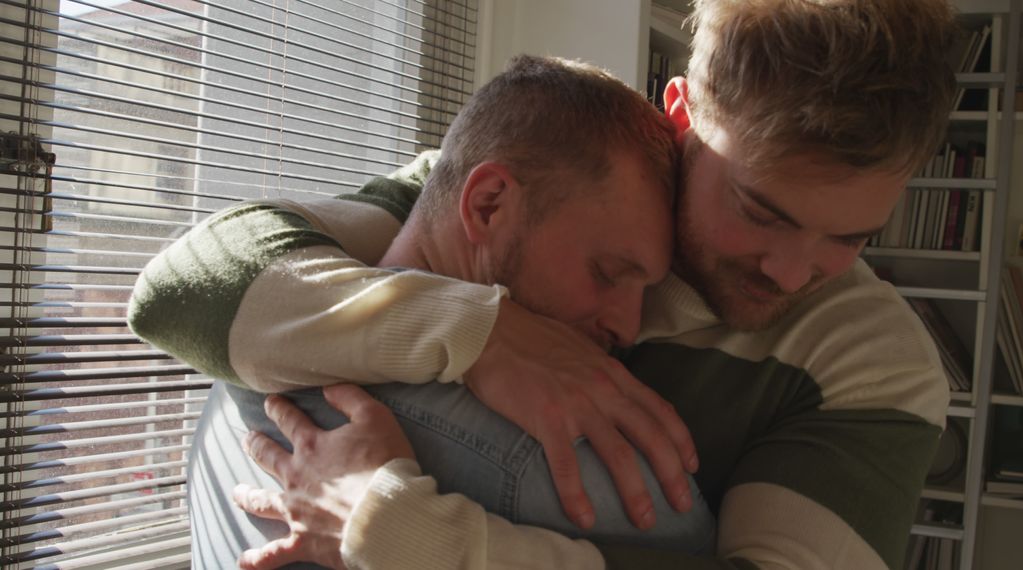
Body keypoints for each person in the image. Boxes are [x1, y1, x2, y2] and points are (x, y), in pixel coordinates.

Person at [132, 0, 961, 567]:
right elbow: (192, 281)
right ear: (682, 124)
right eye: (760, 210)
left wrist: (398, 530)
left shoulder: (875, 362)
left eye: (850, 237)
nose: (791, 272)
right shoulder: (561, 186)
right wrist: (484, 332)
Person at [129, 55, 718, 568]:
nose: (628, 325)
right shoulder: (587, 473)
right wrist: (482, 328)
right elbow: (173, 283)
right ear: (487, 206)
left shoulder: (241, 364)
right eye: (609, 273)